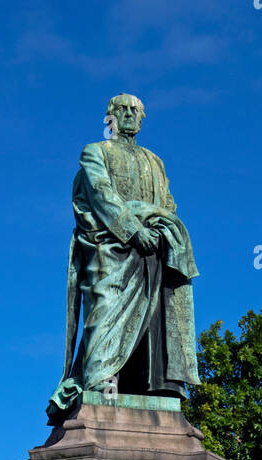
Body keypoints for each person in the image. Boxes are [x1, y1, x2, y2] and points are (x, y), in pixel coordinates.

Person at [47, 93, 199, 421]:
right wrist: (132, 230)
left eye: (135, 111)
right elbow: (100, 195)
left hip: (153, 251)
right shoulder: (95, 152)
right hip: (111, 249)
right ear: (110, 118)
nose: (129, 115)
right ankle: (101, 383)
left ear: (142, 119)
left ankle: (156, 384)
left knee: (154, 321)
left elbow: (168, 203)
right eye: (122, 110)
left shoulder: (155, 161)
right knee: (105, 311)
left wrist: (159, 230)